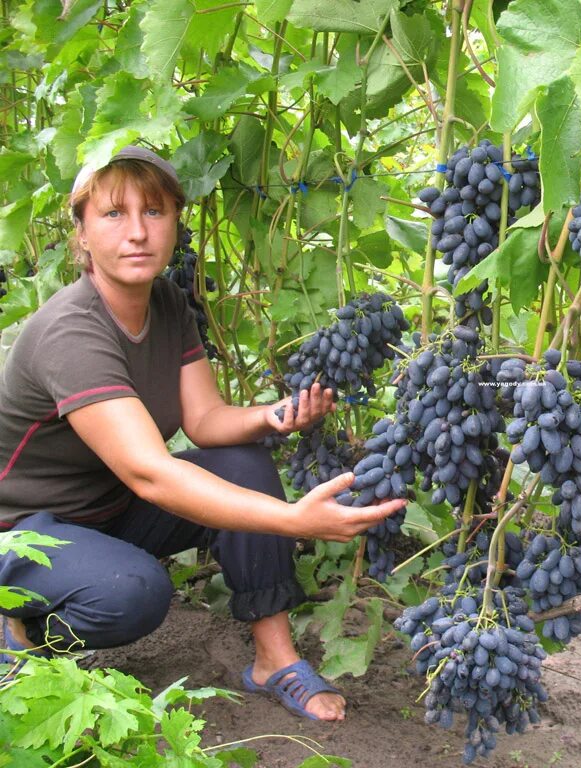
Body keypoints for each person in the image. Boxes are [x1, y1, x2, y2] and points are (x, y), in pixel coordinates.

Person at [0, 145, 407, 721]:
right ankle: (21, 633)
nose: (137, 232)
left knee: (244, 461)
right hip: (21, 533)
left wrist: (272, 415)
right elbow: (150, 471)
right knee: (131, 594)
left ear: (174, 223)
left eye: (155, 212)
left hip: (107, 512)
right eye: (114, 214)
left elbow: (205, 421)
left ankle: (274, 659)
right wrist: (293, 520)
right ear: (82, 232)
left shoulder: (166, 303)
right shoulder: (71, 331)